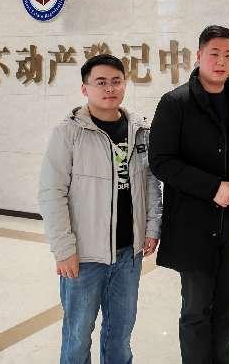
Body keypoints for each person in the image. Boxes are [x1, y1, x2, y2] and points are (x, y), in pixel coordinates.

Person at [39, 54, 162, 364]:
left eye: (116, 81)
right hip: (84, 257)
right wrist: (63, 249)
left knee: (120, 335)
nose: (110, 88)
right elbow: (51, 193)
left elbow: (150, 182)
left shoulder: (139, 130)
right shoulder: (68, 133)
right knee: (77, 336)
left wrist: (151, 228)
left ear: (125, 84)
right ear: (85, 88)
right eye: (101, 82)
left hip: (128, 255)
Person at [149, 25, 229, 364]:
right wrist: (211, 187)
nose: (221, 62)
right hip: (193, 225)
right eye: (214, 54)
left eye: (228, 55)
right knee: (196, 311)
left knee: (227, 308)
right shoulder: (175, 103)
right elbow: (161, 161)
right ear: (198, 56)